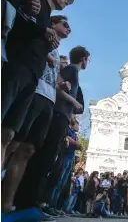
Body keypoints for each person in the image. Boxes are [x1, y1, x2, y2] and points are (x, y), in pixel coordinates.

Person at [1, 15, 71, 213]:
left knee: (28, 150)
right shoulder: (40, 37)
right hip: (35, 94)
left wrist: (61, 83)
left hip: (48, 100)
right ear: (52, 24)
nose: (68, 29)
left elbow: (53, 74)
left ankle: (7, 203)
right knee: (11, 143)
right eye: (65, 24)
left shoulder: (56, 50)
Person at [1, 0, 75, 168]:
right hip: (18, 66)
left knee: (8, 134)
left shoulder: (45, 16)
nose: (66, 1)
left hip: (32, 76)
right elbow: (18, 19)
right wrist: (42, 30)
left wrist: (46, 51)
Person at [13, 45, 90, 211]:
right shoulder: (70, 69)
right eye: (87, 59)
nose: (88, 62)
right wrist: (73, 101)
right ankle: (27, 201)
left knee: (48, 158)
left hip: (62, 115)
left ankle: (33, 201)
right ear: (83, 59)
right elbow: (57, 85)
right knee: (45, 156)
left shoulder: (74, 73)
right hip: (58, 114)